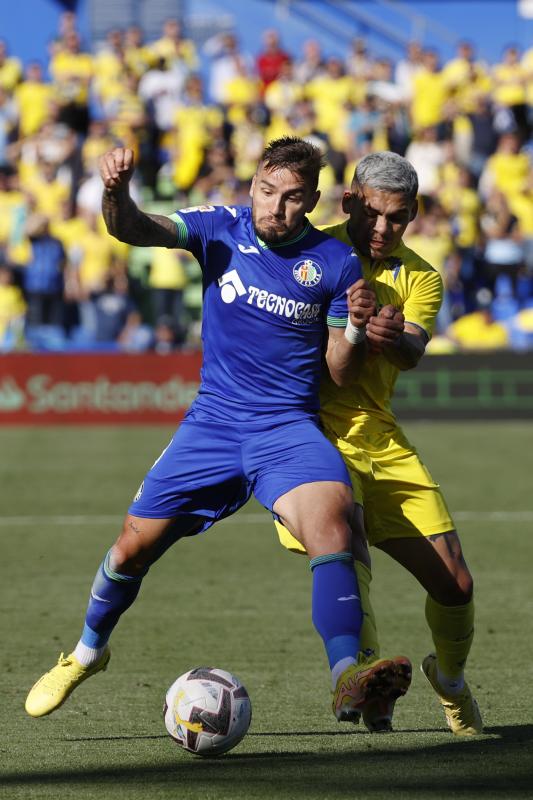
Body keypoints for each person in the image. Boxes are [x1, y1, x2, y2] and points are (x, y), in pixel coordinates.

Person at [25, 137, 410, 723]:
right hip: (214, 424)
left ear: (310, 202)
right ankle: (85, 653)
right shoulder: (218, 228)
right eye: (266, 191)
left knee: (333, 526)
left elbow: (338, 368)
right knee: (131, 548)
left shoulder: (334, 263)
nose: (274, 208)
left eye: (291, 199)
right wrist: (114, 192)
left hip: (287, 429)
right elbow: (133, 229)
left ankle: (346, 677)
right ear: (254, 182)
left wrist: (355, 328)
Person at [276, 151, 483, 736]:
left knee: (456, 583)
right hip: (311, 433)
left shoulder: (421, 276)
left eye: (398, 218)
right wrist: (353, 331)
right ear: (349, 203)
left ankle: (449, 681)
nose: (383, 228)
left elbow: (413, 350)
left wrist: (391, 338)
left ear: (413, 215)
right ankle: (363, 680)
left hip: (381, 436)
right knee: (348, 542)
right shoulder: (313, 254)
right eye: (372, 214)